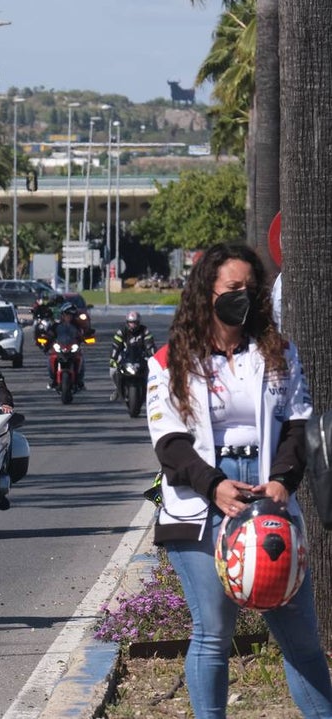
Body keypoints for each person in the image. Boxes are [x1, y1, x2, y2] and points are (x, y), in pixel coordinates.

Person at [147, 242, 332, 719]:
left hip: (271, 495)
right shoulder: (170, 361)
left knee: (300, 636)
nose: (243, 297)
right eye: (233, 288)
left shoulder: (278, 351)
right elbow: (169, 442)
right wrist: (214, 486)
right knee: (213, 633)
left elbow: (298, 422)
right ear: (206, 292)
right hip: (202, 499)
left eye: (250, 289)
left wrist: (282, 482)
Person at [108, 310, 157, 401]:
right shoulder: (121, 331)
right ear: (127, 322)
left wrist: (153, 355)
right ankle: (117, 389)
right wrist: (113, 358)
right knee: (113, 370)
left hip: (141, 357)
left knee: (152, 370)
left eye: (135, 323)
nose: (133, 325)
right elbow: (115, 345)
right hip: (125, 357)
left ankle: (150, 390)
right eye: (131, 323)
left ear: (139, 322)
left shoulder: (145, 331)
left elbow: (150, 345)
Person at [46, 303, 86, 389]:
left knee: (81, 359)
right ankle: (53, 380)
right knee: (51, 358)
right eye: (67, 314)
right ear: (62, 315)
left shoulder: (77, 325)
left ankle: (79, 381)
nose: (69, 317)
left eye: (71, 315)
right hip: (60, 347)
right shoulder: (56, 325)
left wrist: (85, 337)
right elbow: (49, 334)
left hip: (72, 348)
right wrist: (47, 337)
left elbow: (83, 333)